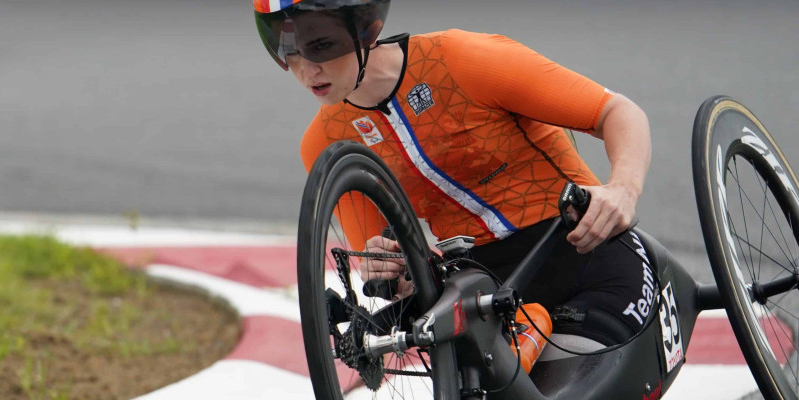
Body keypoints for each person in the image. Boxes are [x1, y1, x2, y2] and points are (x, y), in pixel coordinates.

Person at [254, 0, 652, 348]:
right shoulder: (324, 142)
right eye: (287, 52)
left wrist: (623, 190)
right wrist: (392, 273)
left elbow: (617, 112)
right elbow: (388, 266)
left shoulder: (461, 59)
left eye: (321, 46)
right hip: (485, 290)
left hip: (581, 248)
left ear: (366, 28)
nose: (306, 70)